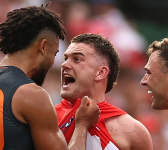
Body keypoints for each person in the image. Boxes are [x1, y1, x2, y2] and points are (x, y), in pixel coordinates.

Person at [0, 6, 99, 150]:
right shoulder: (31, 95)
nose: (53, 62)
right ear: (43, 47)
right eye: (55, 53)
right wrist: (82, 125)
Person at [55, 33, 153, 150]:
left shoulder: (133, 132)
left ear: (100, 73)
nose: (64, 64)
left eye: (76, 59)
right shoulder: (45, 117)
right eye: (65, 58)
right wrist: (81, 125)